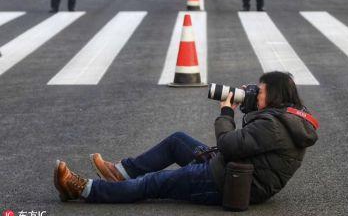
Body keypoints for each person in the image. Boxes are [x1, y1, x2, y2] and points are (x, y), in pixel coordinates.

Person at [53, 71, 319, 205]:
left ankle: (84, 189)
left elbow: (228, 143)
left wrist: (227, 111)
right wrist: (249, 106)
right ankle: (120, 172)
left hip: (231, 183)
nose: (254, 94)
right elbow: (249, 143)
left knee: (154, 183)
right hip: (236, 168)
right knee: (177, 141)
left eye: (259, 92)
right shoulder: (285, 116)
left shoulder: (273, 126)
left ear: (273, 96)